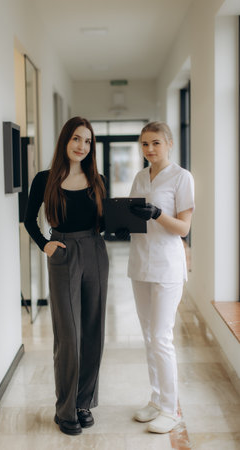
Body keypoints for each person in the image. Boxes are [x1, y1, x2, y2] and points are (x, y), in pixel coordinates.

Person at [24, 116, 109, 436]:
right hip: (62, 253)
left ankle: (84, 402)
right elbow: (28, 218)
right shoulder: (44, 179)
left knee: (92, 331)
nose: (82, 146)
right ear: (65, 141)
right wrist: (45, 244)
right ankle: (65, 408)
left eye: (87, 141)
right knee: (69, 336)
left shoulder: (98, 179)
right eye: (76, 139)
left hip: (95, 251)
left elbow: (105, 222)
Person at [124, 121, 194, 434]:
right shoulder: (140, 176)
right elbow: (131, 216)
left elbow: (183, 228)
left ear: (169, 144)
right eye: (144, 144)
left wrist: (156, 214)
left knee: (162, 338)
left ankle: (171, 408)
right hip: (140, 263)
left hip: (167, 266)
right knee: (149, 335)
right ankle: (156, 400)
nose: (149, 149)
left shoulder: (182, 177)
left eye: (155, 143)